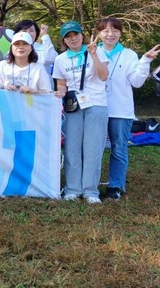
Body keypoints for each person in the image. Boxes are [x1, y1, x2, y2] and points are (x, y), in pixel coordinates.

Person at [97, 17, 160, 201]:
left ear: (120, 33)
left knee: (119, 148)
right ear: (99, 33)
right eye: (105, 30)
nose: (110, 34)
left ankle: (115, 186)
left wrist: (145, 61)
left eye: (115, 30)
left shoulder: (128, 54)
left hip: (121, 110)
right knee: (93, 148)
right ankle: (89, 185)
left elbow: (136, 82)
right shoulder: (92, 52)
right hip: (96, 108)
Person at [52, 21, 109, 204]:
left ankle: (91, 191)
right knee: (72, 148)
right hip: (73, 106)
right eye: (68, 36)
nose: (73, 39)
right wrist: (61, 92)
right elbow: (61, 83)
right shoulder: (60, 59)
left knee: (93, 148)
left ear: (82, 35)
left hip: (96, 103)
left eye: (75, 34)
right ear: (64, 40)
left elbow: (104, 76)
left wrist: (93, 54)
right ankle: (72, 189)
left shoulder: (96, 51)